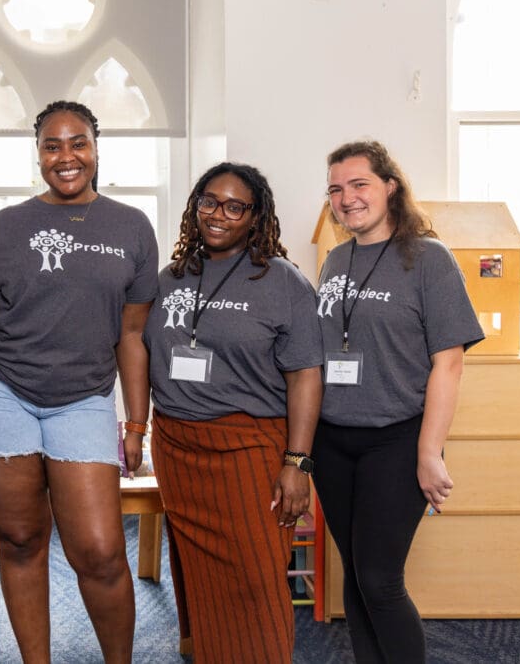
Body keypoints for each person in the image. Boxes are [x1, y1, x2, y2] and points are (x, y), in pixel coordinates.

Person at [0, 100, 158, 663]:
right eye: (51, 145)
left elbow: (133, 335)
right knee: (20, 539)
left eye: (78, 143)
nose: (65, 156)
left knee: (99, 550)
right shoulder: (6, 226)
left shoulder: (132, 227)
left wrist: (136, 423)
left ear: (96, 147)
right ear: (38, 154)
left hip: (84, 399)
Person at [143, 161, 324, 663]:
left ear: (255, 216)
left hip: (247, 448)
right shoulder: (174, 276)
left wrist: (297, 462)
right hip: (177, 448)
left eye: (234, 206)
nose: (217, 214)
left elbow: (306, 374)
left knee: (256, 576)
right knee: (198, 572)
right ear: (194, 206)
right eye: (208, 201)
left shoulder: (283, 282)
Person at [313, 140, 484, 663]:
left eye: (359, 184)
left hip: (396, 437)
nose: (347, 198)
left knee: (381, 580)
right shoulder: (335, 260)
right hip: (332, 439)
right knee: (356, 577)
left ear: (390, 186)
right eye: (336, 190)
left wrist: (429, 452)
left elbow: (448, 362)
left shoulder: (429, 258)